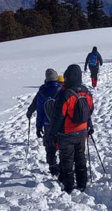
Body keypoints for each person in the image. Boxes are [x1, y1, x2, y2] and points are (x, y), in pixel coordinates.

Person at [49, 64, 94, 193]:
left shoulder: (64, 94)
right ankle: (82, 183)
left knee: (67, 159)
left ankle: (69, 186)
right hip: (82, 131)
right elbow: (89, 111)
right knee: (80, 157)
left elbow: (58, 117)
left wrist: (52, 134)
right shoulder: (86, 92)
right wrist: (90, 126)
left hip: (67, 133)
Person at [25, 68, 62, 176]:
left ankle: (53, 166)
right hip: (60, 124)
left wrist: (38, 127)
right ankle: (63, 164)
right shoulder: (62, 90)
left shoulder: (42, 92)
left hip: (47, 124)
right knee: (62, 144)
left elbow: (40, 112)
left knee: (50, 146)